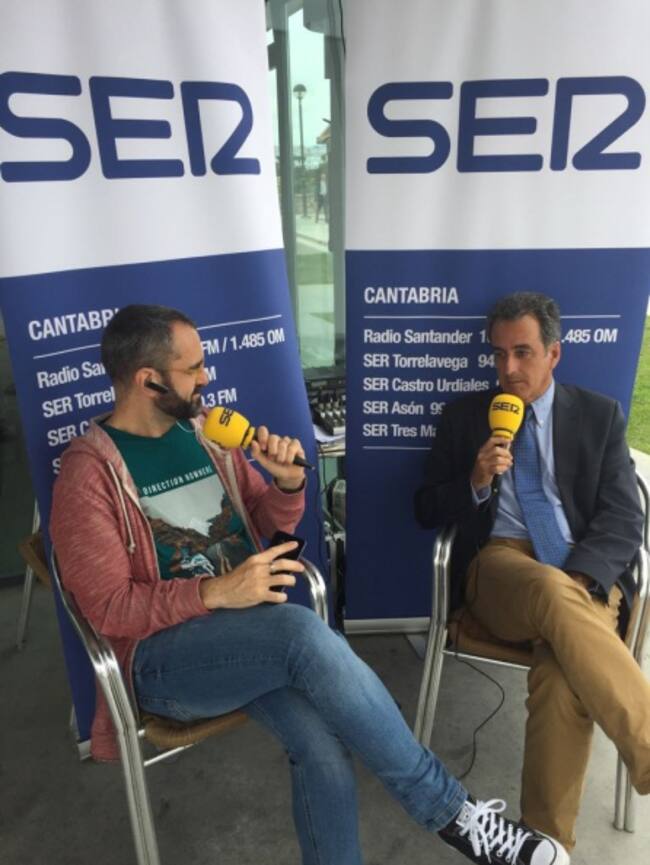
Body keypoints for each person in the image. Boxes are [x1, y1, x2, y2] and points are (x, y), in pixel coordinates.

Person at [50, 304, 567, 865]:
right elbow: (108, 609)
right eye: (192, 369)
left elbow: (270, 524)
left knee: (323, 744)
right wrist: (215, 593)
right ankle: (453, 814)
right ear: (148, 380)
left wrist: (289, 483)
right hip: (162, 662)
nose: (206, 378)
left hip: (249, 638)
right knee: (299, 633)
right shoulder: (88, 475)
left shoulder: (203, 436)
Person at [415, 291, 650, 856]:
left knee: (561, 677)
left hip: (582, 565)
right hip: (502, 566)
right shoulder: (464, 417)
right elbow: (424, 508)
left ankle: (544, 847)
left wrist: (583, 578)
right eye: (499, 355)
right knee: (548, 589)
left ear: (554, 354)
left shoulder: (597, 415)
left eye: (522, 353)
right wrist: (474, 481)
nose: (509, 368)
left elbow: (625, 516)